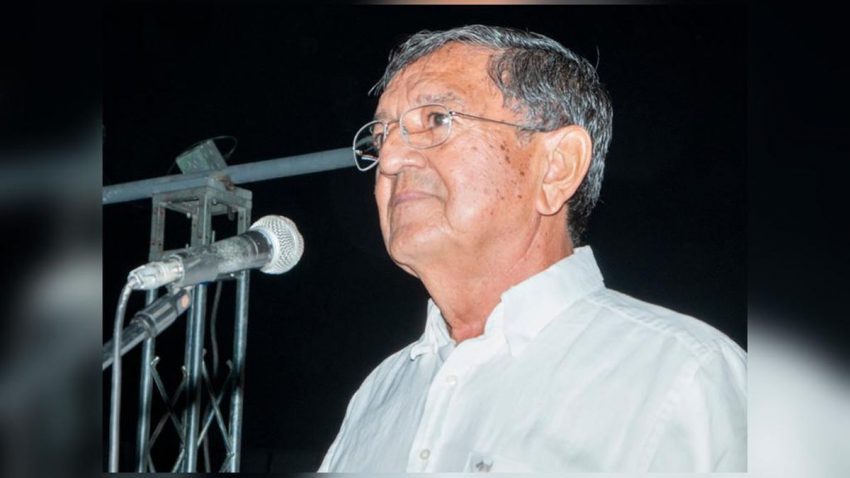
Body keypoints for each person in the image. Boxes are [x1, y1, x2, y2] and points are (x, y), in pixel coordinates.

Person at [320, 25, 746, 472]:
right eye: (382, 136)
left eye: (436, 120)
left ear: (557, 166)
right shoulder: (379, 394)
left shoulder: (685, 378)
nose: (389, 160)